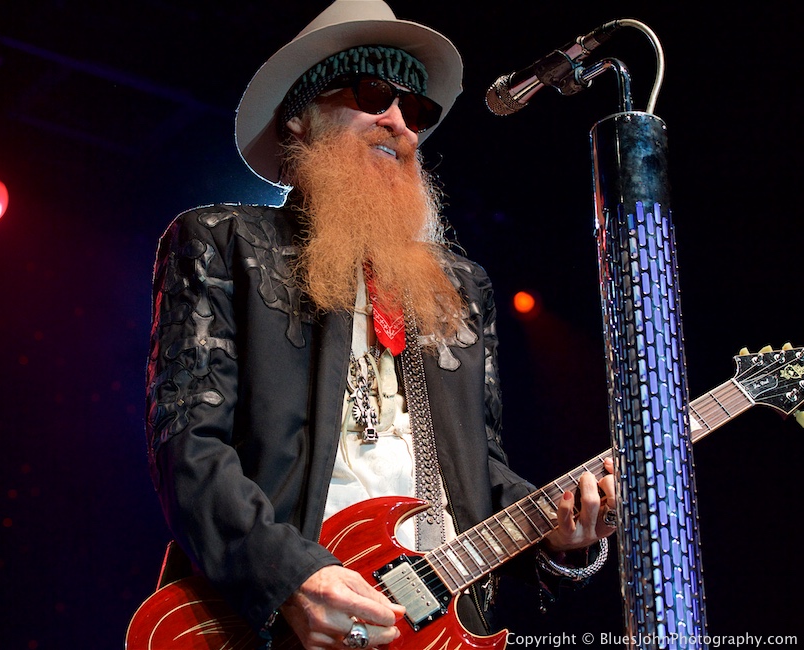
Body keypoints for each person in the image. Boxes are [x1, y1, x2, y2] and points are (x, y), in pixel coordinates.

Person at [144, 2, 617, 648]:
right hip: (288, 615)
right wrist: (291, 578)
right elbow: (189, 448)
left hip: (435, 620)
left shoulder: (459, 288)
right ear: (299, 121)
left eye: (415, 111)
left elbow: (481, 472)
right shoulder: (221, 243)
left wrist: (562, 538)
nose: (400, 123)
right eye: (373, 94)